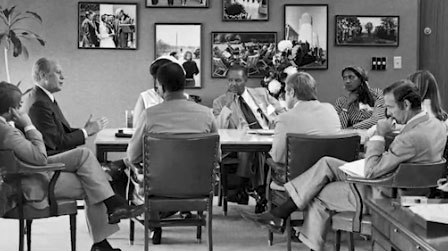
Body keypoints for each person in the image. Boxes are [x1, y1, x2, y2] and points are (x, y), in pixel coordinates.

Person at [242, 80, 447, 251]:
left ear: (407, 105)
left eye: (391, 107)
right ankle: (281, 214)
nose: (388, 114)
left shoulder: (408, 139)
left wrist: (378, 135)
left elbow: (372, 171)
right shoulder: (436, 126)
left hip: (381, 196)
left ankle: (289, 221)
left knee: (317, 191)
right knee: (326, 163)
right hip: (406, 187)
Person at [0, 81, 144, 251]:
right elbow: (40, 157)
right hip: (33, 182)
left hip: (28, 173)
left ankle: (110, 214)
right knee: (91, 181)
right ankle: (107, 221)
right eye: (20, 106)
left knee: (85, 158)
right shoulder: (7, 132)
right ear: (12, 111)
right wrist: (29, 126)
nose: (23, 109)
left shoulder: (5, 128)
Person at [127, 62, 218, 244]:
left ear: (160, 87)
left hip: (159, 188)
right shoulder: (207, 115)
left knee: (128, 170)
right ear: (185, 84)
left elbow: (133, 156)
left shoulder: (149, 115)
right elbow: (217, 156)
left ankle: (152, 221)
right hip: (198, 189)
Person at [213, 65, 285, 208]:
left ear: (246, 80)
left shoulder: (262, 94)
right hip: (240, 143)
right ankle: (260, 191)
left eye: (237, 80)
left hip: (267, 134)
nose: (233, 84)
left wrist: (274, 120)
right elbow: (219, 128)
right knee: (254, 151)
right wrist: (228, 104)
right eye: (230, 80)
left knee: (266, 150)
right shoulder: (220, 102)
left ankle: (248, 187)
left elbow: (279, 112)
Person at [22, 58, 108, 156]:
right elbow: (56, 143)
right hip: (49, 158)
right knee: (86, 154)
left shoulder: (42, 97)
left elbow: (59, 133)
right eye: (58, 72)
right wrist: (86, 131)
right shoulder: (39, 103)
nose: (63, 77)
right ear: (43, 76)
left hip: (55, 153)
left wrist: (86, 130)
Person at [270, 72, 341, 169]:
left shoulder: (284, 118)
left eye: (286, 92)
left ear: (292, 93)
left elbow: (278, 157)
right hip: (330, 174)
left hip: (298, 178)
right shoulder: (331, 109)